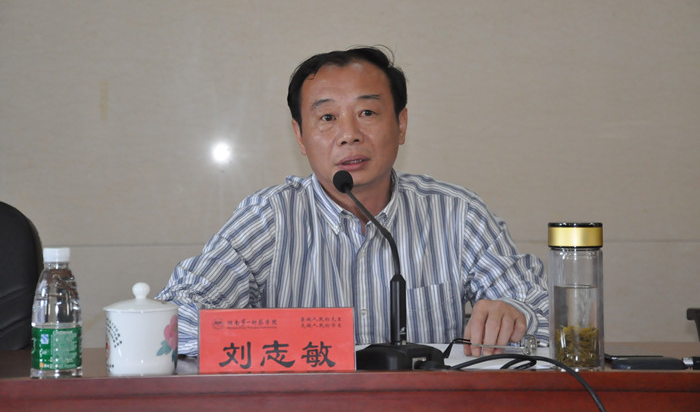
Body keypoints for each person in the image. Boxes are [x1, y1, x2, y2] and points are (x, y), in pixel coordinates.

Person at [156, 46, 549, 357]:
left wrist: (516, 314)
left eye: (367, 112)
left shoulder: (457, 214)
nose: (349, 135)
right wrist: (282, 338)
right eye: (327, 118)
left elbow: (546, 311)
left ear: (401, 124)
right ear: (300, 136)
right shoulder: (268, 220)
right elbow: (175, 316)